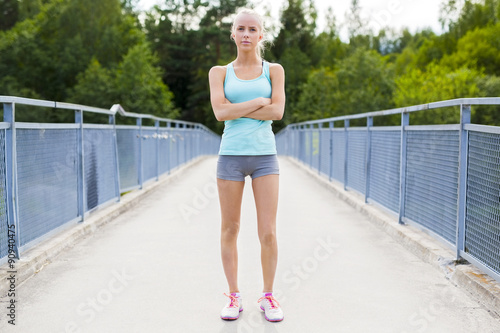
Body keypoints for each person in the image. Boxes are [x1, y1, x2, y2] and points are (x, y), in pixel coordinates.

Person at [208, 8, 286, 323]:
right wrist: (258, 102)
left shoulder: (274, 70)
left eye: (252, 29)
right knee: (230, 228)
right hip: (230, 156)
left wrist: (235, 108)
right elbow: (219, 114)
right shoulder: (219, 72)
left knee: (267, 231)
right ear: (233, 34)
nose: (246, 35)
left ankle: (268, 296)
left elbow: (278, 112)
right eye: (240, 28)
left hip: (265, 156)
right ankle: (234, 296)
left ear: (261, 35)